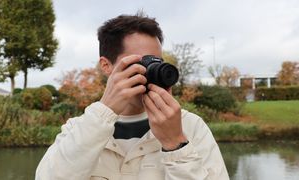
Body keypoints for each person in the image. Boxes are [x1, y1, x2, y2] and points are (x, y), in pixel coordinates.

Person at [36, 13, 229, 180]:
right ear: (106, 65)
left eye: (156, 62)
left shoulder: (189, 126)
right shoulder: (77, 129)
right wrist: (104, 112)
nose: (151, 70)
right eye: (142, 62)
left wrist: (176, 144)